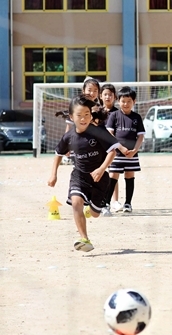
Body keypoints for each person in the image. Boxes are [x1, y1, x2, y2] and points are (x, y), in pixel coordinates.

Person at [47, 95, 129, 252]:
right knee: (76, 202)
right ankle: (84, 239)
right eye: (79, 115)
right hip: (79, 175)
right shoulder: (68, 137)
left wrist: (102, 168)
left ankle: (91, 209)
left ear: (91, 115)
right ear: (71, 117)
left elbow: (113, 151)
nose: (83, 118)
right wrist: (53, 175)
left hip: (100, 178)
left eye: (86, 114)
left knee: (95, 214)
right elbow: (58, 154)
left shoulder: (97, 132)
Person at [105, 86, 146, 214]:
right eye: (123, 101)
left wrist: (134, 150)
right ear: (118, 101)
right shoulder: (114, 116)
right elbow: (109, 134)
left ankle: (128, 203)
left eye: (129, 101)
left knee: (129, 175)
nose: (126, 104)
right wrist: (120, 147)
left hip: (131, 154)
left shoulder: (137, 117)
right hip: (116, 153)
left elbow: (140, 136)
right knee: (113, 176)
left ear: (134, 101)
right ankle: (106, 204)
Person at [99, 83, 122, 212]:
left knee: (113, 174)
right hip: (99, 148)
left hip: (113, 148)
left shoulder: (118, 113)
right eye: (105, 94)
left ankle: (115, 201)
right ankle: (97, 200)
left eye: (110, 95)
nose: (108, 97)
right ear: (101, 96)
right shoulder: (96, 112)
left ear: (115, 97)